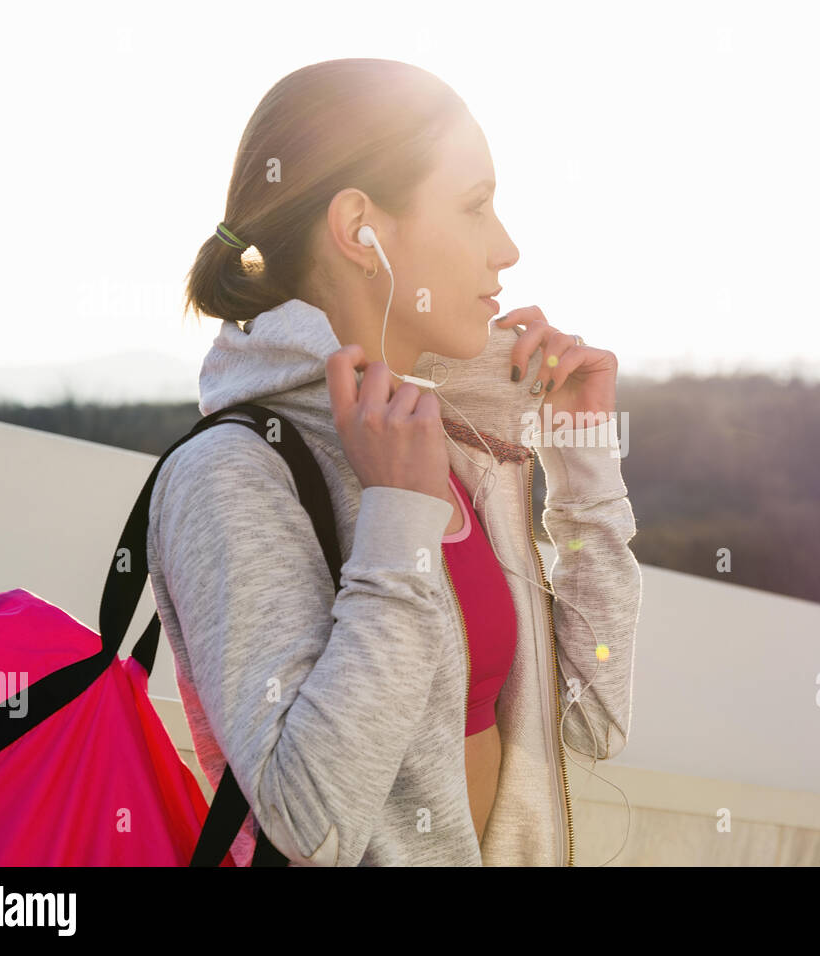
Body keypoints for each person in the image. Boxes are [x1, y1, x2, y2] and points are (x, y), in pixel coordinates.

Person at [146, 58, 641, 866]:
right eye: (476, 206)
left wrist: (582, 465)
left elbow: (591, 714)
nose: (507, 247)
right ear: (359, 231)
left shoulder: (450, 446)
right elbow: (310, 825)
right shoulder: (233, 475)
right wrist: (399, 523)